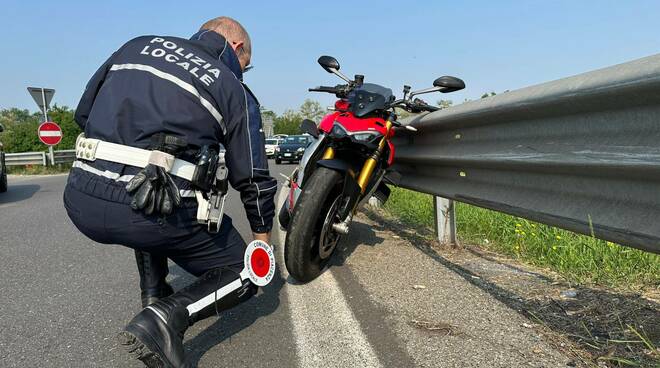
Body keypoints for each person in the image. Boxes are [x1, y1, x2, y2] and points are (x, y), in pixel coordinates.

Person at [63, 16, 277, 367]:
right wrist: (262, 239)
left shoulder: (136, 45)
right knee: (247, 271)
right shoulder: (231, 86)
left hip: (79, 198)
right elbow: (252, 177)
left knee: (149, 193)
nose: (242, 73)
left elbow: (83, 114)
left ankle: (154, 294)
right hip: (144, 214)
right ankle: (164, 319)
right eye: (245, 66)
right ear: (236, 48)